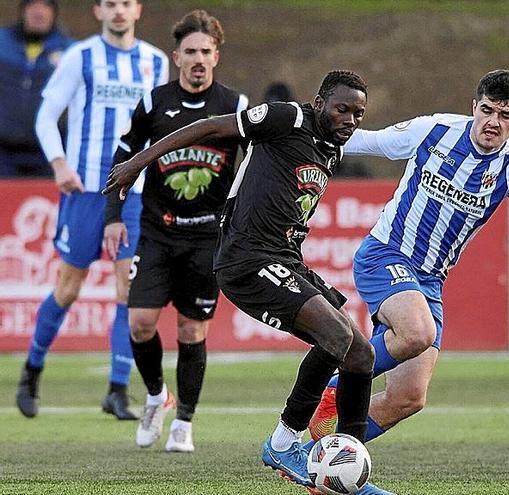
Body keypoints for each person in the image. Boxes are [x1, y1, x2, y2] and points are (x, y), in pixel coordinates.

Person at [103, 70, 379, 493]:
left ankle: (350, 471)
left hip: (285, 259)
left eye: (358, 113)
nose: (350, 119)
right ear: (320, 102)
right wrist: (137, 164)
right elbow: (208, 127)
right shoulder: (287, 119)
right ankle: (284, 442)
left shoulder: (331, 151)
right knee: (339, 334)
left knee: (360, 352)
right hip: (246, 260)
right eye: (342, 109)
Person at [306, 69, 509, 482]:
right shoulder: (433, 130)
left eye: (506, 115)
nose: (494, 122)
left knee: (409, 397)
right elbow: (365, 139)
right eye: (488, 110)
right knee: (418, 332)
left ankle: (319, 460)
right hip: (385, 254)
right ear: (473, 107)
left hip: (430, 280)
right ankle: (335, 386)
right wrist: (304, 128)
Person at [102, 10, 248, 453]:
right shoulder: (154, 102)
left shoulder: (236, 106)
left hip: (206, 238)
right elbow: (123, 160)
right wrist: (112, 215)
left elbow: (258, 164)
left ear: (216, 56)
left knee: (191, 331)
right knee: (141, 322)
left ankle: (183, 421)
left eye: (205, 51)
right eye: (190, 52)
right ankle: (154, 396)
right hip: (157, 231)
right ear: (176, 57)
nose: (198, 59)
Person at [16, 0, 168, 420]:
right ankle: (31, 369)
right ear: (99, 11)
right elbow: (47, 116)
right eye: (110, 4)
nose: (119, 11)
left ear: (137, 10)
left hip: (134, 194)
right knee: (69, 286)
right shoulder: (80, 57)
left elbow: (161, 128)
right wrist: (59, 162)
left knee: (127, 289)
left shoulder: (155, 62)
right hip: (86, 189)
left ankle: (117, 390)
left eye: (126, 3)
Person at [0, 0, 73, 176]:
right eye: (33, 5)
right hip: (3, 152)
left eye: (45, 6)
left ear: (54, 12)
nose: (39, 12)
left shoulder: (71, 51)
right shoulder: (2, 43)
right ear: (22, 10)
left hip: (50, 153)